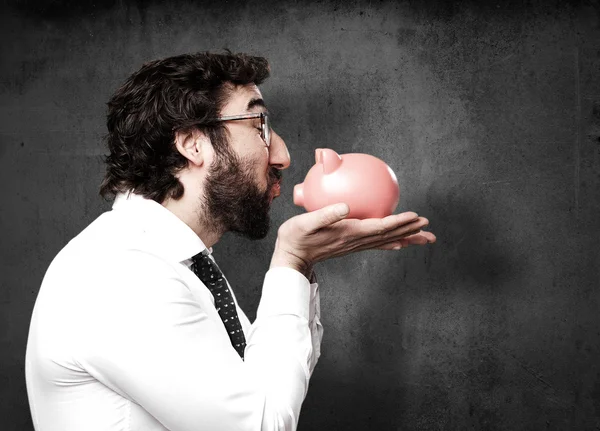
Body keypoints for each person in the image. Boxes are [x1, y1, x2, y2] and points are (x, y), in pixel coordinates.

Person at [24, 51, 436, 431]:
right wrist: (291, 262)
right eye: (259, 126)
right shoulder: (120, 274)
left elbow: (270, 391)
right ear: (192, 143)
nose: (283, 156)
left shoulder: (180, 263)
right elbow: (262, 424)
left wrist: (302, 265)